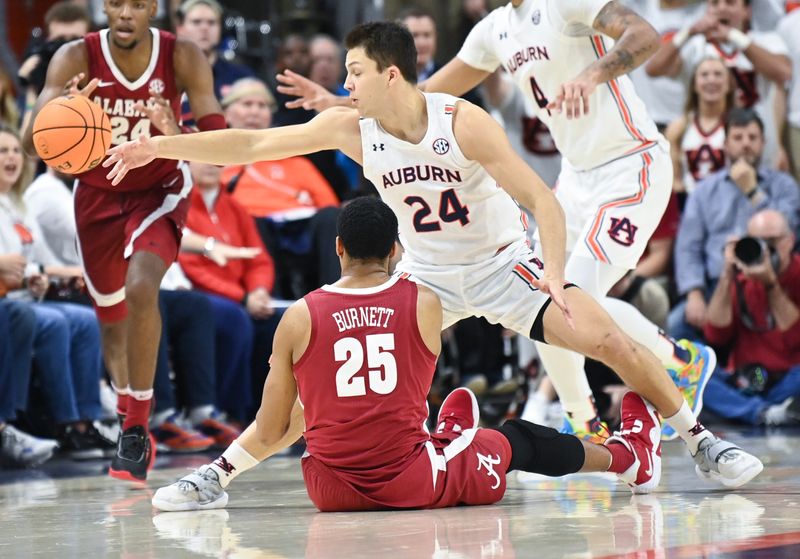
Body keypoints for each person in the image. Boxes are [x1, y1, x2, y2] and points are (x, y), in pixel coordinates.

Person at [106, 21, 763, 488]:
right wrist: (162, 148)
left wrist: (558, 275)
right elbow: (252, 147)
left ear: (389, 75)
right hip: (425, 281)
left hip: (506, 266)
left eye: (355, 74)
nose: (345, 84)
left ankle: (702, 443)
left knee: (610, 341)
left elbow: (543, 198)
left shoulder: (463, 122)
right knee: (325, 391)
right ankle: (218, 476)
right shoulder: (352, 127)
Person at [274, 0, 719, 445]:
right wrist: (342, 100)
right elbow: (420, 91)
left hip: (632, 164)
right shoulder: (495, 29)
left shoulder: (566, 5)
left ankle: (654, 373)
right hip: (577, 176)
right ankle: (590, 417)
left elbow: (644, 36)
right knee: (549, 295)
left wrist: (591, 75)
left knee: (567, 294)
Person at [150, 197, 664, 512]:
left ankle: (209, 478)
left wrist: (216, 471)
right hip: (412, 479)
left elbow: (270, 426)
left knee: (336, 411)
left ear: (338, 248)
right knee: (518, 441)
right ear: (397, 249)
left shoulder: (299, 315)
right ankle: (630, 457)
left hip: (327, 488)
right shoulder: (424, 302)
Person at [22, 0, 225, 481]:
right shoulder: (74, 57)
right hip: (96, 193)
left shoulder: (182, 56)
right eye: (116, 3)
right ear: (105, 7)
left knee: (141, 288)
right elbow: (32, 143)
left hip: (159, 189)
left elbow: (221, 137)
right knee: (111, 320)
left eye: (137, 4)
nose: (126, 14)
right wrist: (63, 110)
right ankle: (128, 413)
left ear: (152, 7)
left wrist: (177, 132)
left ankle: (137, 428)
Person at [669, 108, 800, 342]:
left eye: (752, 137)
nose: (746, 144)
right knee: (676, 325)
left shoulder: (784, 185)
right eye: (738, 138)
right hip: (717, 285)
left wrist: (753, 191)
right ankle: (715, 378)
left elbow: (788, 232)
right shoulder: (704, 191)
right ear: (726, 144)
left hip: (772, 283)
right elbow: (688, 246)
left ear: (763, 143)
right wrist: (694, 294)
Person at [645, 0, 792, 169]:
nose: (721, 8)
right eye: (715, 3)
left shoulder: (766, 40)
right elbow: (653, 69)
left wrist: (734, 37)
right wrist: (688, 32)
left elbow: (784, 73)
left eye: (730, 3)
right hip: (705, 144)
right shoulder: (696, 46)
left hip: (754, 141)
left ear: (747, 10)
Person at [702, 210, 800, 426]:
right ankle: (765, 414)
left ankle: (743, 411)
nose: (766, 250)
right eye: (758, 242)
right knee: (690, 366)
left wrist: (770, 284)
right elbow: (715, 335)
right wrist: (727, 274)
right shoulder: (740, 279)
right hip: (745, 381)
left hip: (790, 378)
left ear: (790, 240)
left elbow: (795, 340)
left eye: (772, 241)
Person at [665, 57, 735, 196]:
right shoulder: (678, 128)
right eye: (704, 75)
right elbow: (675, 181)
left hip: (729, 201)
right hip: (688, 204)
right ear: (694, 85)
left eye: (718, 74)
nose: (711, 80)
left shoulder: (737, 125)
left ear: (729, 85)